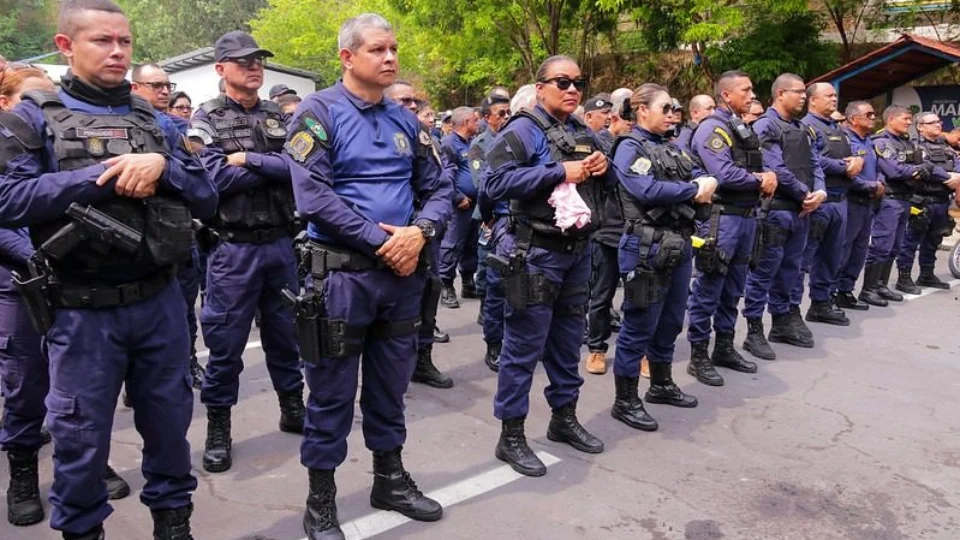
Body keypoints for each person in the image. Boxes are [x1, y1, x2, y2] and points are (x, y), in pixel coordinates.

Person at [0, 1, 218, 537]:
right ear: (65, 46)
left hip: (159, 301)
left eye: (124, 41)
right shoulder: (29, 119)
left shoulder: (159, 123)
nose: (118, 51)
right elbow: (7, 200)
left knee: (169, 429)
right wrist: (103, 172)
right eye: (102, 40)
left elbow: (208, 199)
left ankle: (174, 525)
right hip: (80, 310)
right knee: (79, 439)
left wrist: (163, 166)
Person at [283, 13, 453, 539]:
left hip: (400, 279)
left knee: (389, 387)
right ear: (347, 57)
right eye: (378, 49)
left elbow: (441, 187)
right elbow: (313, 196)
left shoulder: (406, 120)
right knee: (331, 394)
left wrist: (419, 232)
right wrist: (387, 242)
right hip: (342, 280)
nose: (390, 58)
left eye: (394, 49)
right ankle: (322, 500)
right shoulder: (317, 113)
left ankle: (390, 480)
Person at [0, 62, 132, 528]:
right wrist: (36, 255)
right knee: (25, 385)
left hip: (75, 282)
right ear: (6, 102)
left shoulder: (59, 138)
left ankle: (90, 464)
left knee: (84, 391)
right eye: (31, 99)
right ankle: (21, 472)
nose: (44, 109)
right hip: (20, 284)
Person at [483, 55, 609, 477]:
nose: (573, 89)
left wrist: (600, 167)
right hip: (535, 252)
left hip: (576, 251)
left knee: (567, 341)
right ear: (540, 88)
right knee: (522, 349)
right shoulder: (522, 129)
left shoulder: (580, 130)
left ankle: (563, 418)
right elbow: (494, 183)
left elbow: (610, 185)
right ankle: (512, 435)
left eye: (578, 82)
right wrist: (558, 171)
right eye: (562, 82)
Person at [191, 30, 305, 474]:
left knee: (287, 335)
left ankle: (293, 407)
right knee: (225, 346)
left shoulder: (280, 115)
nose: (254, 67)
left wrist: (249, 160)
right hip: (233, 250)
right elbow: (213, 180)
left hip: (280, 243)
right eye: (243, 61)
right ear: (221, 70)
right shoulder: (204, 120)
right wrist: (275, 168)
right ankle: (219, 427)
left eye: (258, 59)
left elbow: (303, 169)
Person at [609, 84, 717, 431]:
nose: (673, 114)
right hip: (646, 246)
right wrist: (694, 191)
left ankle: (660, 383)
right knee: (639, 323)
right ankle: (625, 400)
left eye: (675, 109)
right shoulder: (630, 147)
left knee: (671, 321)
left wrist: (700, 186)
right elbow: (647, 190)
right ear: (641, 110)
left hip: (680, 242)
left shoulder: (672, 147)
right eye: (665, 107)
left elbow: (698, 174)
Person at [686, 70, 775, 386]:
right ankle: (698, 355)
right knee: (709, 287)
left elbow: (750, 165)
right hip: (721, 219)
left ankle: (724, 346)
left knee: (734, 287)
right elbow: (723, 173)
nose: (752, 95)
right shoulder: (713, 129)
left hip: (746, 218)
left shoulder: (739, 127)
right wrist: (760, 179)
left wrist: (764, 176)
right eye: (746, 89)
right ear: (726, 95)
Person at [741, 73, 825, 361]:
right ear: (779, 94)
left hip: (802, 211)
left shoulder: (802, 128)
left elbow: (815, 163)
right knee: (764, 272)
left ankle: (782, 322)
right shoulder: (766, 125)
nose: (803, 96)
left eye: (805, 92)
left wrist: (820, 193)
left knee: (793, 270)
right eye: (798, 92)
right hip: (776, 211)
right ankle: (754, 329)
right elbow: (775, 167)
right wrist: (806, 194)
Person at [132, 64, 205, 389]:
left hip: (177, 235)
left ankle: (187, 363)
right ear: (136, 88)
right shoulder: (121, 124)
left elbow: (201, 175)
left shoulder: (177, 127)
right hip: (135, 237)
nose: (164, 90)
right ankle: (135, 381)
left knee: (182, 310)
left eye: (167, 85)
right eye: (155, 85)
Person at [385, 82, 453, 387]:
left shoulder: (425, 139)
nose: (412, 106)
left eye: (415, 101)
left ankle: (422, 360)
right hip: (391, 235)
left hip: (425, 232)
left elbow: (441, 183)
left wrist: (426, 226)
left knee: (429, 293)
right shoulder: (379, 137)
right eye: (404, 101)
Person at [791, 83, 864, 326]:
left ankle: (821, 303)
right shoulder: (807, 127)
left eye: (835, 95)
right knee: (804, 258)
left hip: (841, 201)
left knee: (832, 256)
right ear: (812, 100)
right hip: (820, 201)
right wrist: (845, 166)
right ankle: (791, 312)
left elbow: (854, 154)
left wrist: (855, 161)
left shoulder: (837, 128)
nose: (834, 99)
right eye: (829, 96)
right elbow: (813, 161)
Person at [865, 105, 949, 302]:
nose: (909, 122)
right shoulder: (882, 142)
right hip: (890, 200)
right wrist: (918, 170)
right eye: (905, 119)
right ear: (891, 119)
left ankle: (882, 285)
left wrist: (921, 169)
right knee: (881, 246)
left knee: (894, 246)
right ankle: (868, 289)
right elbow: (895, 171)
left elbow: (925, 165)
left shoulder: (906, 143)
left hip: (905, 199)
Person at [584, 87, 633, 376]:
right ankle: (597, 349)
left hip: (637, 231)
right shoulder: (596, 144)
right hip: (607, 231)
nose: (629, 124)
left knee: (638, 296)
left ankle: (636, 350)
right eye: (620, 117)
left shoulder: (644, 144)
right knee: (602, 295)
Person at [470, 94, 512, 371]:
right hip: (493, 219)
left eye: (509, 112)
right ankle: (493, 341)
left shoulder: (516, 139)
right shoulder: (480, 144)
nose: (506, 117)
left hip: (517, 219)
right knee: (491, 277)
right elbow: (480, 184)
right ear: (488, 118)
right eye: (500, 113)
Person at [897, 112, 960, 289]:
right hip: (920, 201)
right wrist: (949, 176)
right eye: (932, 122)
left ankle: (926, 274)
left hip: (941, 201)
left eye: (938, 122)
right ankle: (904, 277)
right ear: (920, 127)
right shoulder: (915, 147)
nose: (938, 125)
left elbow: (957, 163)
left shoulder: (946, 147)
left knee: (934, 239)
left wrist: (957, 176)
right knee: (910, 240)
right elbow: (926, 168)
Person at [836, 101, 886, 308]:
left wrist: (880, 182)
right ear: (854, 119)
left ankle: (846, 291)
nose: (873, 118)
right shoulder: (843, 140)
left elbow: (878, 167)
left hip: (868, 203)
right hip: (851, 201)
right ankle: (829, 294)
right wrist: (870, 186)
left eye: (874, 114)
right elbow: (846, 173)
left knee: (859, 251)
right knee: (842, 250)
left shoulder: (869, 141)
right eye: (869, 114)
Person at [438, 107, 482, 308]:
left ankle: (467, 280)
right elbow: (445, 174)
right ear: (466, 122)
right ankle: (446, 284)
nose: (478, 123)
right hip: (459, 205)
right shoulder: (448, 144)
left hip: (475, 204)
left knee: (471, 244)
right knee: (452, 244)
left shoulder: (473, 143)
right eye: (475, 120)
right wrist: (457, 197)